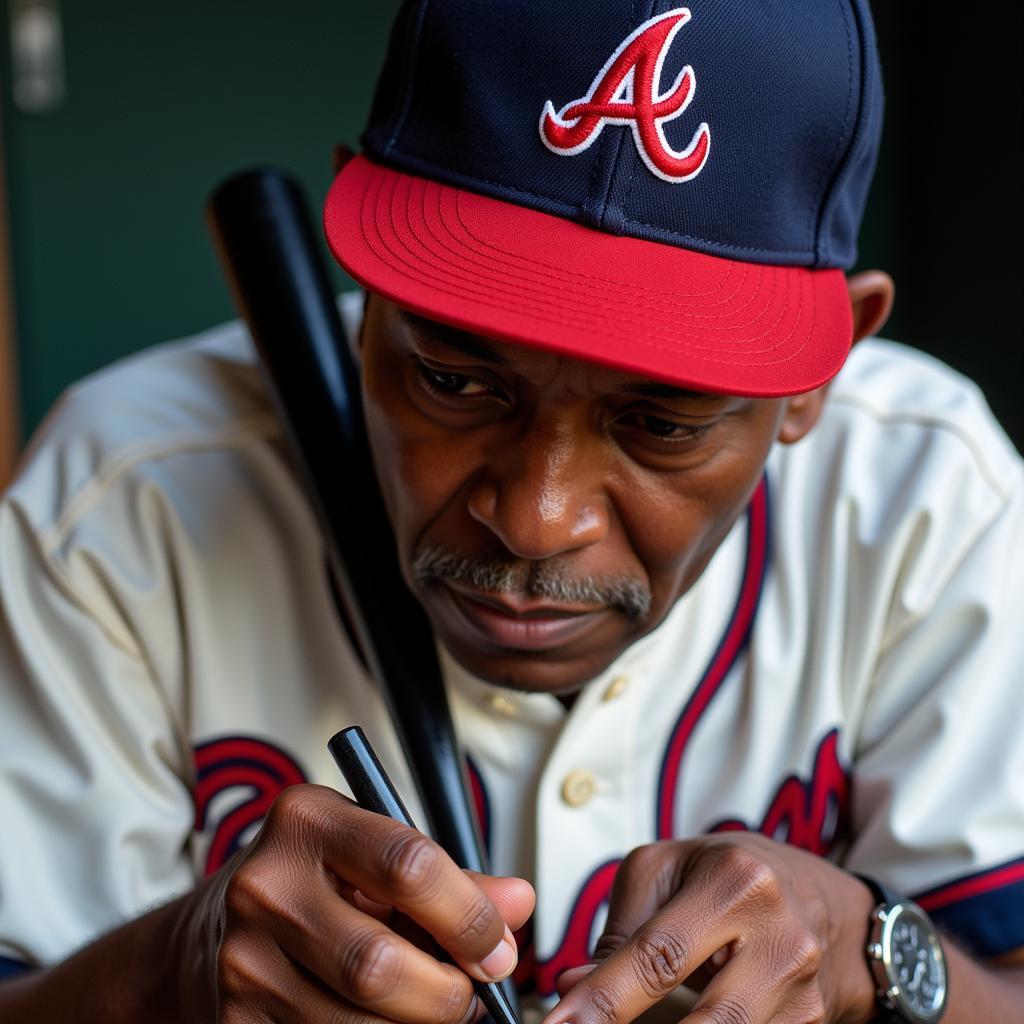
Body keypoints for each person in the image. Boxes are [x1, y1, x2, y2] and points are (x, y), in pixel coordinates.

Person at [1, 1, 1022, 1022]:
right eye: (452, 380)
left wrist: (872, 948)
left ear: (815, 378)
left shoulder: (922, 496)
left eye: (660, 423)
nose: (534, 520)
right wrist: (162, 969)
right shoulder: (121, 492)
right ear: (366, 287)